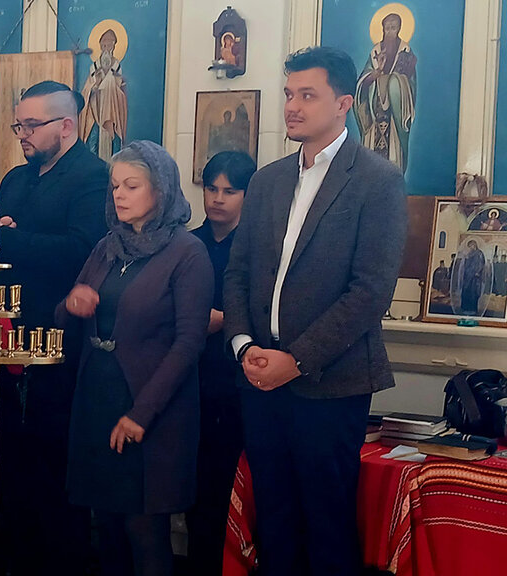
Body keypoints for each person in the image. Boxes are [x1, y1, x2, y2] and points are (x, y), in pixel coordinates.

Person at [224, 46, 406, 576]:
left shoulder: (376, 180)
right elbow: (237, 274)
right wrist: (244, 345)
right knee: (273, 522)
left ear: (344, 103)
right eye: (289, 94)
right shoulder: (268, 180)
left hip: (330, 384)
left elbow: (369, 293)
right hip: (260, 377)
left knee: (326, 528)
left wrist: (297, 360)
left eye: (308, 95)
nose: (292, 106)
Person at [56, 141, 212, 576]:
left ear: (160, 190)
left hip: (150, 407)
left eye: (131, 185)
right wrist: (72, 303)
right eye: (114, 186)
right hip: (98, 401)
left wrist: (141, 414)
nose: (119, 195)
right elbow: (64, 314)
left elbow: (188, 343)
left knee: (144, 528)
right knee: (105, 526)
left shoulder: (187, 253)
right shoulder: (107, 247)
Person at [0, 80, 109, 576]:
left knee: (53, 470)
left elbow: (81, 251)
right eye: (19, 125)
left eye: (33, 125)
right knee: (9, 468)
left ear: (67, 126)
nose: (23, 134)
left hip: (61, 345)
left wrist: (11, 240)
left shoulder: (93, 177)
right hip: (7, 337)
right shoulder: (16, 179)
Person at [185, 150, 256, 576]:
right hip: (189, 377)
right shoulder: (188, 243)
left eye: (230, 191)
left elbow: (264, 310)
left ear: (248, 195)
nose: (217, 199)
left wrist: (225, 320)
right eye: (211, 188)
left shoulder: (256, 246)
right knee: (193, 491)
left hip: (234, 379)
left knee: (229, 490)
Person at [354, 12, 416, 172]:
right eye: (387, 28)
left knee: (392, 160)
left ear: (399, 29)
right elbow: (362, 83)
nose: (390, 32)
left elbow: (410, 83)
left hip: (394, 115)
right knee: (371, 163)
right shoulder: (375, 52)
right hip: (375, 112)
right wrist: (376, 73)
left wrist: (395, 82)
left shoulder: (405, 52)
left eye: (393, 28)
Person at [80, 28, 128, 161]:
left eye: (109, 44)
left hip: (112, 110)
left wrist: (114, 82)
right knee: (93, 138)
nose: (106, 47)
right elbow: (88, 87)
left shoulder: (116, 66)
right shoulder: (94, 66)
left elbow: (120, 87)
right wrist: (94, 86)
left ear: (114, 47)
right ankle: (92, 164)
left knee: (115, 138)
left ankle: (113, 165)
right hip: (96, 109)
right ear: (100, 46)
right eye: (104, 44)